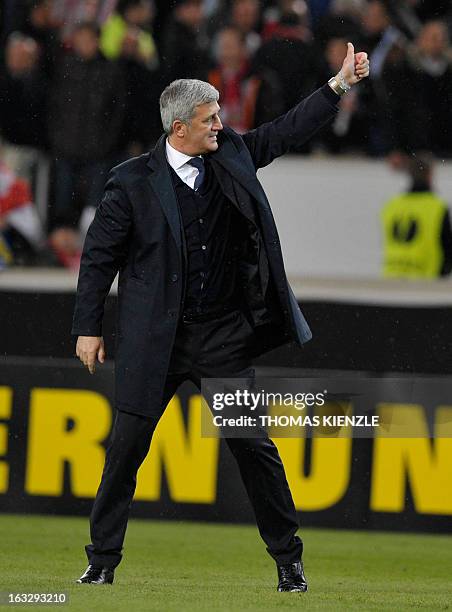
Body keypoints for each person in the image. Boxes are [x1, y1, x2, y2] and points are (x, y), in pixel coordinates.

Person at [72, 42, 369, 590]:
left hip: (221, 341)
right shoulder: (131, 182)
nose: (221, 124)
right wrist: (87, 326)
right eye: (210, 118)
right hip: (152, 344)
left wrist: (338, 86)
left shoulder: (230, 151)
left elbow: (282, 132)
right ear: (179, 128)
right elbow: (97, 261)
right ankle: (101, 562)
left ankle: (288, 560)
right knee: (124, 455)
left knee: (254, 449)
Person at [381, 154, 452, 278]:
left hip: (391, 279)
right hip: (425, 282)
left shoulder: (391, 206)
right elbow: (447, 249)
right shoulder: (436, 207)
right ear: (430, 176)